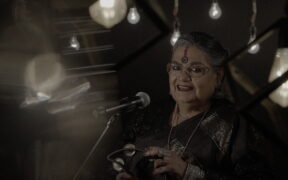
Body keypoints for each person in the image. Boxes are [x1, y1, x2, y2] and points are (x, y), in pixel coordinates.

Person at [116, 32, 272, 180]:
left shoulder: (234, 123)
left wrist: (188, 172)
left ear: (218, 77)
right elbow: (118, 162)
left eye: (196, 69)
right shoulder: (149, 115)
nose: (183, 77)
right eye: (176, 68)